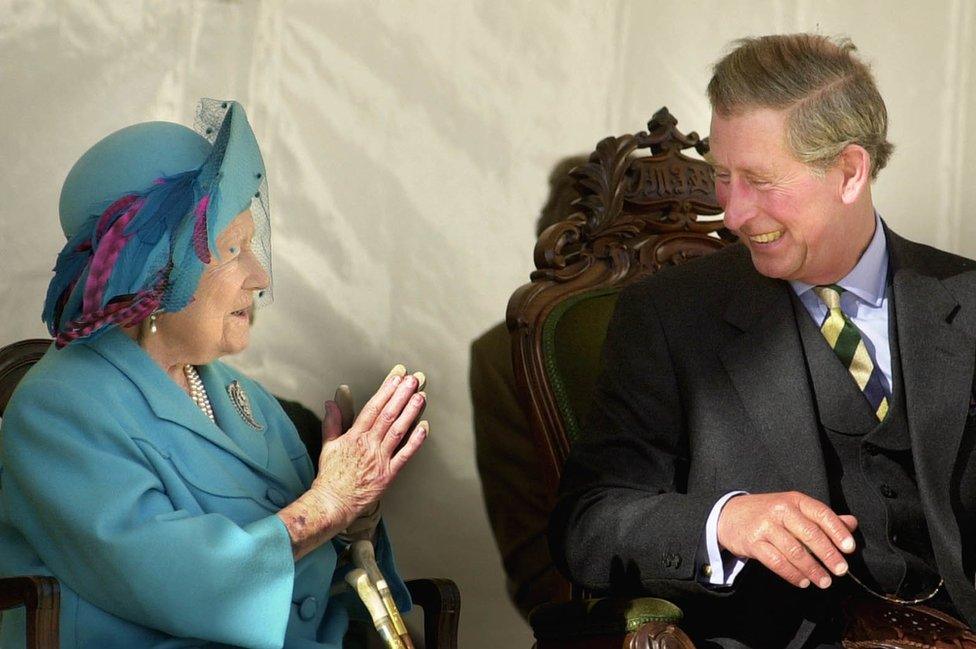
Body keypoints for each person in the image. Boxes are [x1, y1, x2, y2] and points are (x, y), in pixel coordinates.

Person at [550, 34, 976, 647]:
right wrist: (723, 521)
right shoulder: (667, 316)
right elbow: (585, 525)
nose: (732, 213)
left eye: (760, 179)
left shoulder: (966, 299)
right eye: (723, 176)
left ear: (850, 171)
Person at [0, 99, 428, 649]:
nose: (259, 274)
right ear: (156, 270)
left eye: (252, 244)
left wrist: (355, 520)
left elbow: (315, 572)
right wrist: (327, 504)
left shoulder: (237, 395)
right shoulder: (59, 408)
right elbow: (171, 576)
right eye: (232, 249)